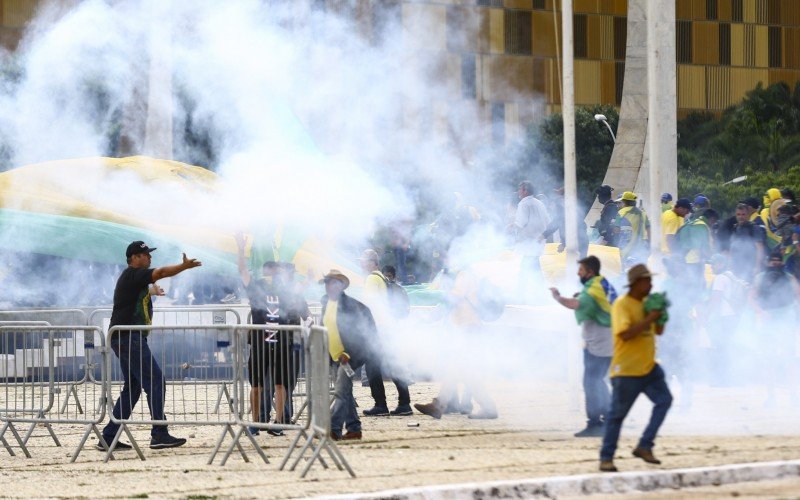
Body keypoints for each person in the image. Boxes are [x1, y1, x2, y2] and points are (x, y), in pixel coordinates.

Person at [100, 241, 201, 451]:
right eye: (145, 254)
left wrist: (151, 293)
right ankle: (159, 433)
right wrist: (184, 267)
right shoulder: (133, 274)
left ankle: (109, 437)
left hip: (125, 338)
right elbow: (162, 271)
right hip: (129, 337)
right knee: (155, 381)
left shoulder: (133, 280)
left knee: (134, 388)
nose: (149, 258)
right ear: (134, 258)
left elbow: (135, 298)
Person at [599, 264, 672, 472]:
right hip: (627, 370)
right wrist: (650, 317)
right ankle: (606, 458)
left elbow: (658, 331)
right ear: (636, 283)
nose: (650, 284)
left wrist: (661, 316)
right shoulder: (623, 305)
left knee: (665, 401)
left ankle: (645, 445)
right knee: (616, 416)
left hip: (649, 367)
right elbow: (625, 334)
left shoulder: (647, 303)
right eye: (647, 281)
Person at [235, 233, 309, 436]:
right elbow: (242, 269)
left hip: (282, 342)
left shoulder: (286, 290)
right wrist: (241, 249)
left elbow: (299, 295)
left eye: (274, 271)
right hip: (260, 342)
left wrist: (308, 279)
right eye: (268, 270)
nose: (271, 274)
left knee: (280, 384)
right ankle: (256, 423)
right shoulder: (256, 287)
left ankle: (277, 423)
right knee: (257, 385)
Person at [414, 268, 498, 420]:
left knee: (463, 370)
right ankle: (438, 406)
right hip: (468, 329)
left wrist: (429, 317)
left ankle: (487, 407)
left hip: (468, 329)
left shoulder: (464, 275)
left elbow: (452, 300)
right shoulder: (467, 275)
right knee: (456, 370)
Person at [549, 256, 617, 437]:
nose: (578, 273)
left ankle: (595, 423)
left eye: (581, 270)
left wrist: (558, 297)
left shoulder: (593, 288)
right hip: (607, 338)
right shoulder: (600, 283)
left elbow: (576, 304)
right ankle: (611, 418)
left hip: (599, 341)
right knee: (598, 380)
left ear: (590, 272)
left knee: (591, 382)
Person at [320, 269, 377, 440]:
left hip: (348, 356)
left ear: (340, 286)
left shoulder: (351, 306)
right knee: (345, 393)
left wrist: (348, 353)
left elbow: (358, 334)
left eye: (332, 282)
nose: (329, 286)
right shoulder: (325, 302)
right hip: (334, 355)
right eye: (327, 282)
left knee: (340, 392)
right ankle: (354, 428)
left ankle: (333, 429)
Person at [358, 249, 412, 417]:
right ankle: (404, 403)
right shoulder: (381, 277)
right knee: (393, 364)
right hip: (387, 327)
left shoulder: (372, 279)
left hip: (378, 328)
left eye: (364, 260)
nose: (361, 263)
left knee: (373, 367)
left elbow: (370, 306)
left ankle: (381, 404)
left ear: (373, 263)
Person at [749, 252, 800, 407]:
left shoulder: (789, 277)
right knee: (769, 360)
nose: (775, 263)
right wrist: (760, 312)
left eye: (778, 260)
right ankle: (771, 397)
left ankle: (793, 397)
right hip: (768, 321)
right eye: (773, 261)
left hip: (786, 321)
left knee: (790, 360)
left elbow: (798, 294)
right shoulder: (760, 278)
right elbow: (751, 296)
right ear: (768, 262)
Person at [509, 180, 551, 281]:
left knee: (527, 268)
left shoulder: (523, 204)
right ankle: (535, 290)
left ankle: (528, 291)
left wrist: (511, 227)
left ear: (525, 191)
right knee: (532, 267)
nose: (518, 191)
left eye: (520, 189)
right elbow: (548, 221)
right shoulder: (539, 203)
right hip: (539, 241)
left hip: (529, 242)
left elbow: (520, 223)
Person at [729, 203, 766, 282]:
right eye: (738, 214)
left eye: (743, 214)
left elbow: (760, 248)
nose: (740, 217)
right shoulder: (735, 228)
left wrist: (757, 267)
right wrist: (730, 265)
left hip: (750, 267)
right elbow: (732, 248)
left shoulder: (754, 227)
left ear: (748, 215)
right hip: (737, 267)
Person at [611, 191, 650, 265]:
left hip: (625, 248)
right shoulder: (643, 213)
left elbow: (616, 230)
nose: (619, 205)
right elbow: (649, 230)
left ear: (625, 202)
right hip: (640, 248)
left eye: (621, 202)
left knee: (624, 271)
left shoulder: (621, 212)